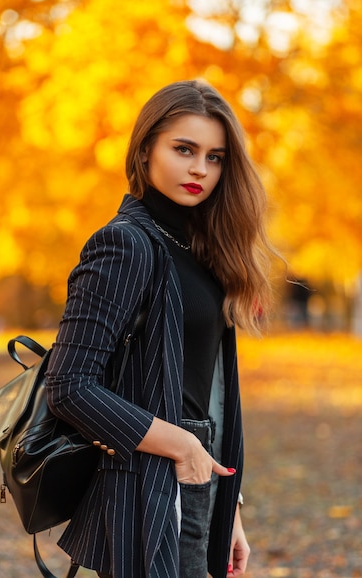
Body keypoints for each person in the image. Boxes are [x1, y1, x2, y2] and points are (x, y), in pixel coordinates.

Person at [45, 80, 276, 578]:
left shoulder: (205, 252)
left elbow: (203, 389)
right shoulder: (124, 245)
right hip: (149, 483)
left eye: (215, 157)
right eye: (184, 149)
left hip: (199, 479)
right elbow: (67, 387)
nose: (200, 169)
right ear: (146, 147)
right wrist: (182, 444)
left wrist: (227, 505)